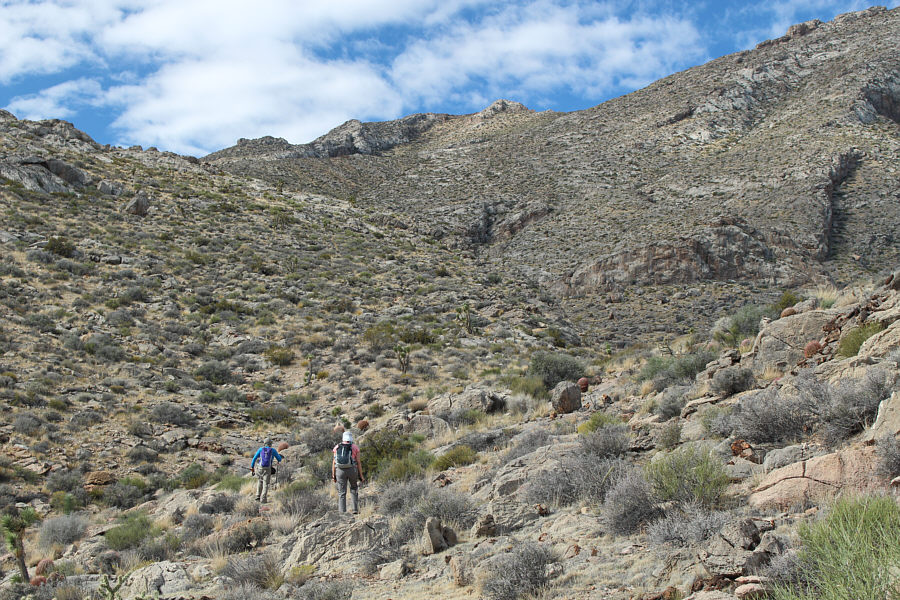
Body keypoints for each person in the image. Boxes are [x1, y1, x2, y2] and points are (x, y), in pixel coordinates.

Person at [332, 431, 365, 513]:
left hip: (340, 471)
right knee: (353, 488)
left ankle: (342, 512)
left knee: (342, 492)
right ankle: (355, 510)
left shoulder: (337, 447)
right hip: (352, 470)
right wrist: (361, 475)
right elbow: (358, 462)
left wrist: (334, 475)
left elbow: (334, 462)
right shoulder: (355, 447)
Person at [250, 438, 283, 503]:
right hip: (267, 469)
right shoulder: (273, 450)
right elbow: (279, 459)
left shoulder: (260, 449)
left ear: (264, 443)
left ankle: (257, 496)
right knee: (266, 483)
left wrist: (252, 467)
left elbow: (254, 458)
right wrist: (279, 456)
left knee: (260, 481)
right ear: (271, 444)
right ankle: (263, 499)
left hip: (260, 468)